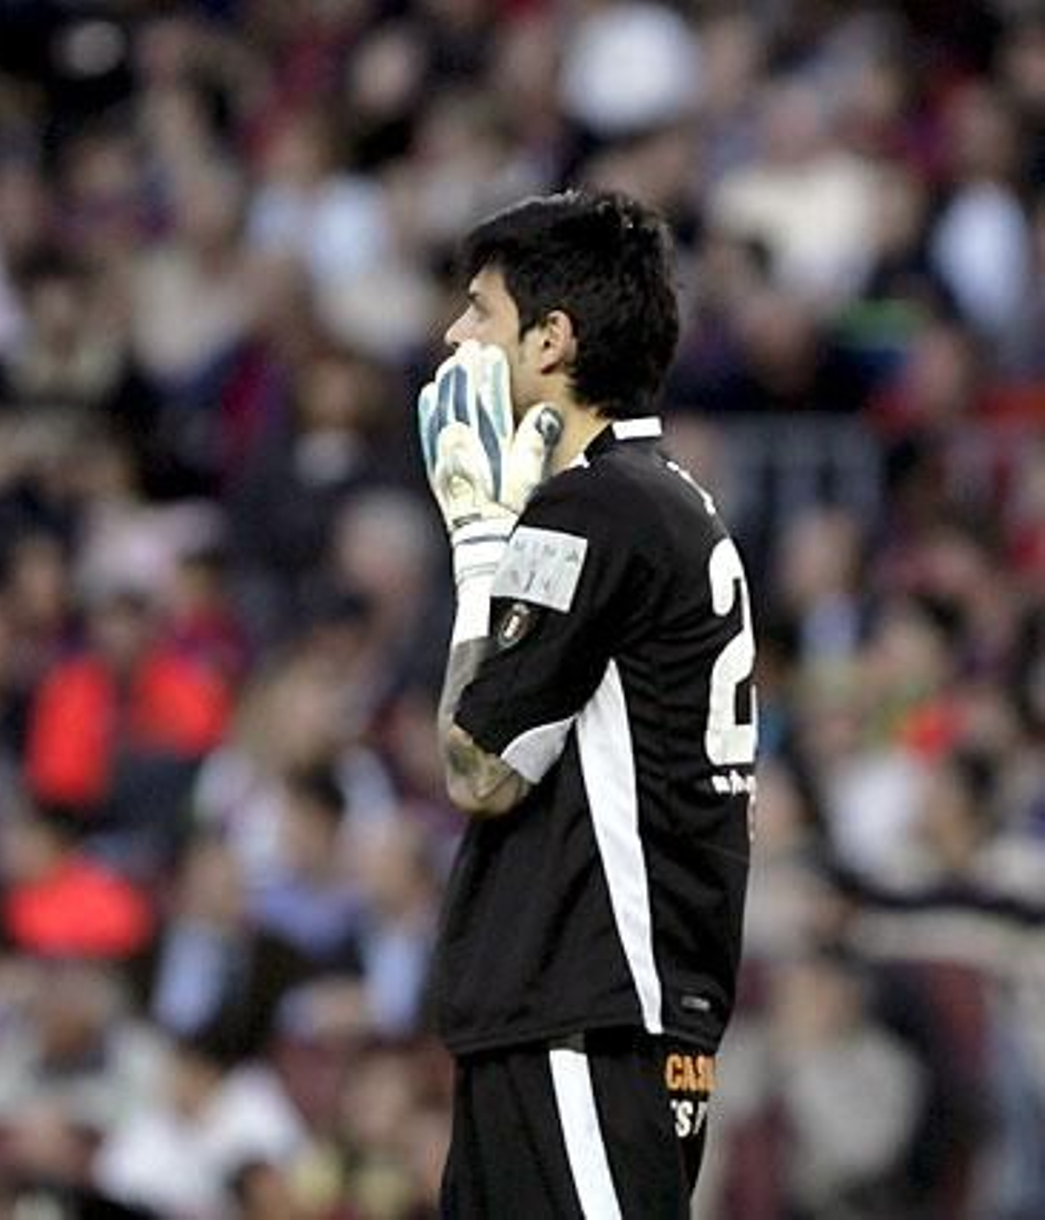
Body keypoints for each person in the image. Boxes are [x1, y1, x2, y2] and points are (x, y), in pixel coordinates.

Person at [417, 190, 757, 1217]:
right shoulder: (652, 499)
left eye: (480, 310)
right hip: (589, 1005)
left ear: (551, 338)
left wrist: (480, 548)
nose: (455, 335)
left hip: (585, 1005)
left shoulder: (595, 506)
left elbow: (479, 765)